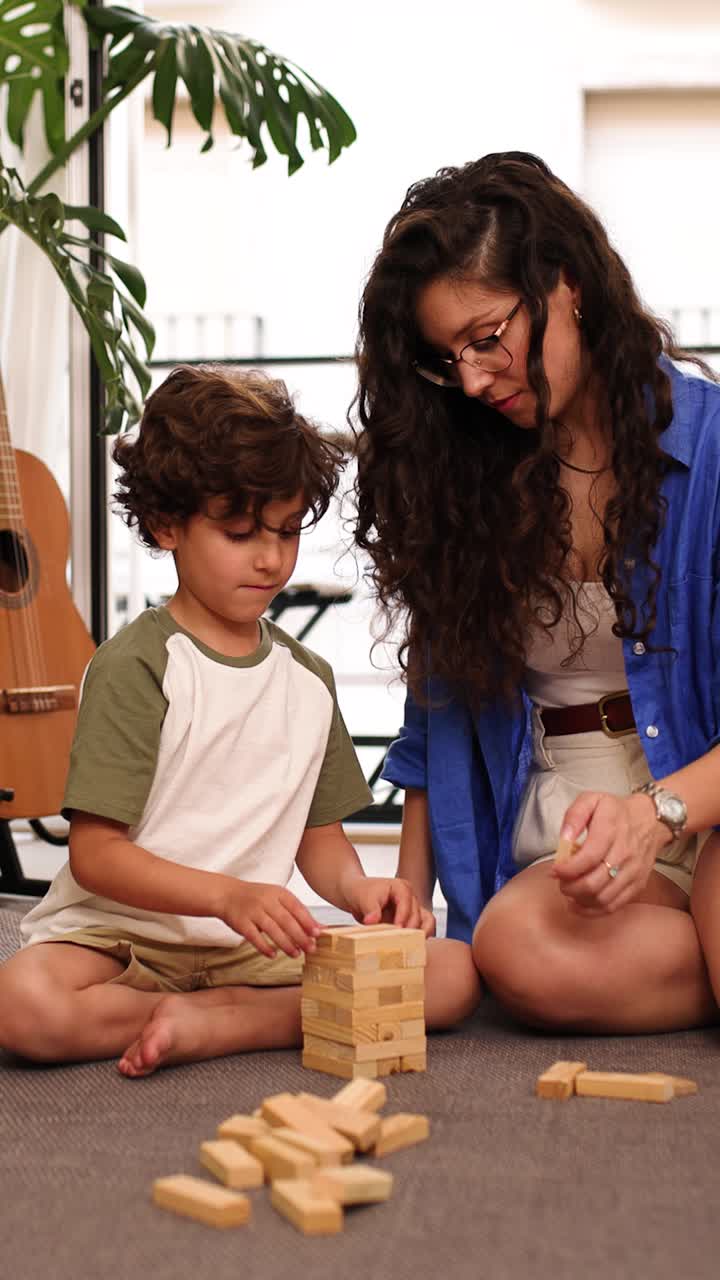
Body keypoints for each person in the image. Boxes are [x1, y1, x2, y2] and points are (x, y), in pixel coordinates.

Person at [0, 366, 480, 1075]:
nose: (270, 558)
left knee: (453, 974)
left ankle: (229, 1022)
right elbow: (96, 856)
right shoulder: (137, 665)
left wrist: (358, 891)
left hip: (249, 955)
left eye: (286, 532)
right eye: (239, 532)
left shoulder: (308, 682)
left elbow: (323, 846)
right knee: (22, 1005)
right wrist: (226, 895)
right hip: (122, 943)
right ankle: (244, 1017)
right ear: (167, 525)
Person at [353, 149, 720, 1034]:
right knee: (513, 949)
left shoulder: (711, 451)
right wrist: (406, 892)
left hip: (701, 792)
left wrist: (659, 816)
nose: (475, 380)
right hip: (563, 814)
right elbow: (433, 717)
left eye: (488, 338)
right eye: (450, 360)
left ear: (567, 284)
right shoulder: (462, 474)